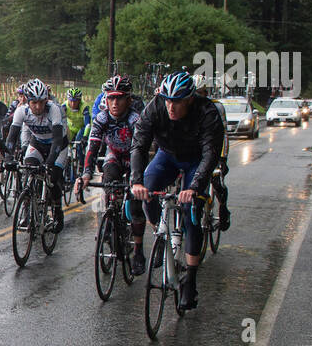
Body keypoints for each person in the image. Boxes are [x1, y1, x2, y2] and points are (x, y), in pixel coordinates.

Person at [130, 70, 225, 311]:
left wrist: (194, 188)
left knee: (190, 211)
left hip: (195, 161)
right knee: (147, 192)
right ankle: (159, 231)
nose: (171, 107)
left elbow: (210, 154)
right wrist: (136, 181)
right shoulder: (155, 107)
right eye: (168, 101)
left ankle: (190, 279)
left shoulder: (207, 112)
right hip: (167, 155)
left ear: (190, 99)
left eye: (178, 102)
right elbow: (139, 145)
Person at [76, 80, 146, 275]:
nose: (114, 103)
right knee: (109, 184)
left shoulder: (135, 119)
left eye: (119, 98)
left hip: (134, 156)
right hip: (114, 154)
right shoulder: (101, 118)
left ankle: (139, 251)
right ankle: (110, 219)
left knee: (134, 204)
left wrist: (137, 180)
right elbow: (93, 147)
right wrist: (86, 174)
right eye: (110, 98)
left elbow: (140, 150)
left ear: (128, 100)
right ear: (105, 100)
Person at [4, 78, 68, 232]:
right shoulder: (22, 111)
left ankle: (57, 211)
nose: (38, 106)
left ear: (46, 100)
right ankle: (28, 210)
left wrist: (50, 162)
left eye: (41, 102)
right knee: (28, 170)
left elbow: (58, 140)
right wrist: (8, 158)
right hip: (37, 143)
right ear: (27, 101)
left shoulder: (54, 109)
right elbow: (11, 137)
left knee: (52, 177)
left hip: (58, 146)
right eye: (34, 103)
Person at [194, 81, 232, 231]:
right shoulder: (186, 105)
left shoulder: (216, 106)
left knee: (217, 180)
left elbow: (224, 135)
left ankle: (223, 209)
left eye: (200, 92)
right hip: (195, 150)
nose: (197, 96)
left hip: (213, 149)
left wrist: (223, 158)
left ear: (206, 93)